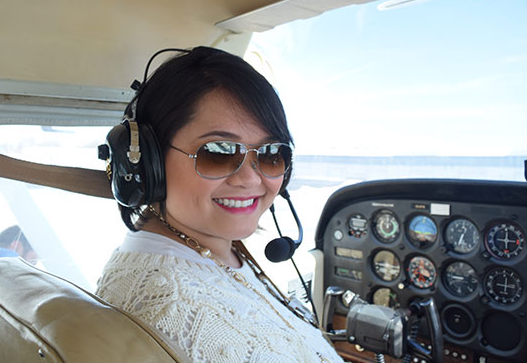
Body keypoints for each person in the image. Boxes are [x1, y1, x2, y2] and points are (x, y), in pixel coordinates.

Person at [96, 46, 343, 362]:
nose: (250, 179)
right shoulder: (176, 309)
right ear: (148, 161)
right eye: (219, 151)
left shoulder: (208, 251)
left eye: (271, 154)